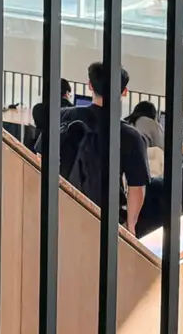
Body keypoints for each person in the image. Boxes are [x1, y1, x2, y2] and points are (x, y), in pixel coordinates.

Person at [57, 60, 153, 233]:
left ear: (90, 85)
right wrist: (130, 226)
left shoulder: (63, 117)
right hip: (106, 219)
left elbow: (40, 158)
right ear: (124, 92)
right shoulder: (130, 136)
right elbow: (137, 187)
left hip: (62, 210)